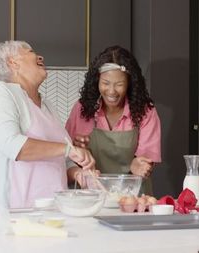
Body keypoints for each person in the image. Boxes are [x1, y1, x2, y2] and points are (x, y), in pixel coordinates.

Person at [0, 40, 95, 210]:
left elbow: (62, 159)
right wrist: (69, 149)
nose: (40, 56)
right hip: (13, 211)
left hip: (53, 209)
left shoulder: (46, 105)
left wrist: (78, 173)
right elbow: (13, 146)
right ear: (13, 62)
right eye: (31, 52)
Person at [65, 45, 161, 194]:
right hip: (92, 196)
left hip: (132, 197)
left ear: (129, 83)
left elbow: (146, 161)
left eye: (119, 84)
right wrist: (77, 150)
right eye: (105, 83)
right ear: (97, 81)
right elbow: (66, 156)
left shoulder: (145, 111)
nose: (111, 91)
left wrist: (140, 165)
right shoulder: (82, 109)